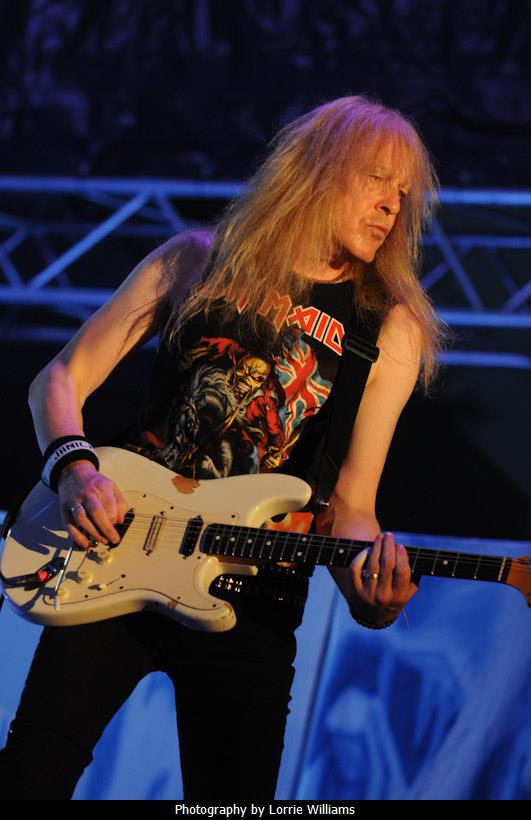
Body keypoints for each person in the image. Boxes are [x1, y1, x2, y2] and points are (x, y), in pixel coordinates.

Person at [0, 95, 444, 800]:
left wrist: (372, 598)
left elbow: (351, 505)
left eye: (404, 193)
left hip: (252, 597)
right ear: (318, 169)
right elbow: (59, 379)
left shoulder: (389, 327)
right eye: (376, 180)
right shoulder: (195, 260)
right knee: (29, 776)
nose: (392, 206)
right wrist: (74, 470)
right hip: (113, 555)